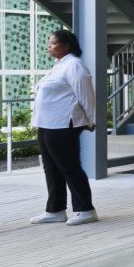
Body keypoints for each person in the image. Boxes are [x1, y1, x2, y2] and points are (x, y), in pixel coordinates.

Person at [30, 28, 98, 226]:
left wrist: (89, 120)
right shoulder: (58, 65)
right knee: (50, 168)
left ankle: (86, 209)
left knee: (69, 166)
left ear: (66, 46)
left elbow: (86, 95)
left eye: (52, 43)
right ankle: (56, 210)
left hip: (63, 123)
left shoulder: (75, 66)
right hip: (46, 123)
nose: (48, 46)